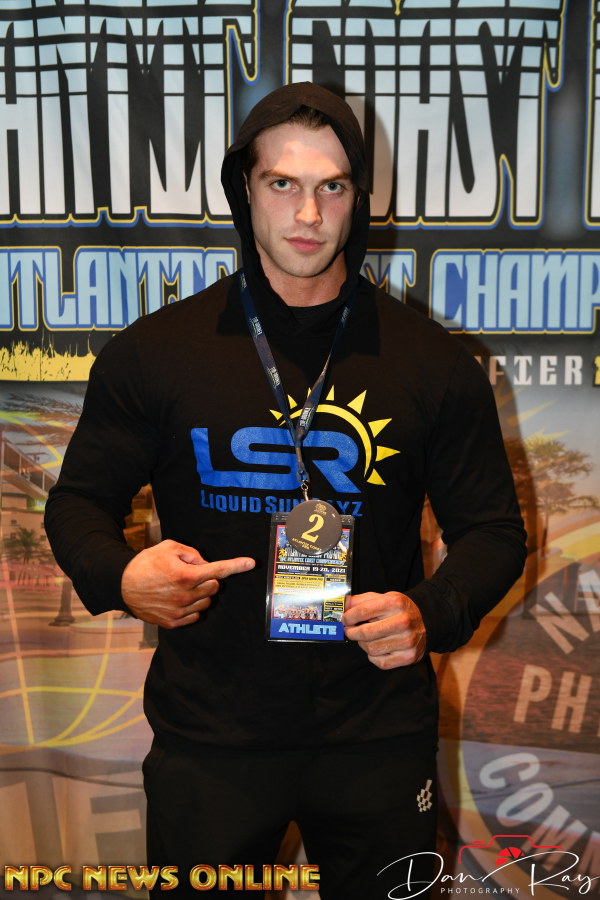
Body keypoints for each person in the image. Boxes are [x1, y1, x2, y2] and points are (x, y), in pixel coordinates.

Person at [44, 82, 526, 899]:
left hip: (378, 732)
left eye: (332, 186)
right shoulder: (156, 354)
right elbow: (78, 506)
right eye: (282, 184)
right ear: (246, 189)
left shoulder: (434, 364)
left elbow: (493, 532)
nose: (308, 212)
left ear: (359, 199)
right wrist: (122, 577)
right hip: (212, 737)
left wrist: (430, 612)